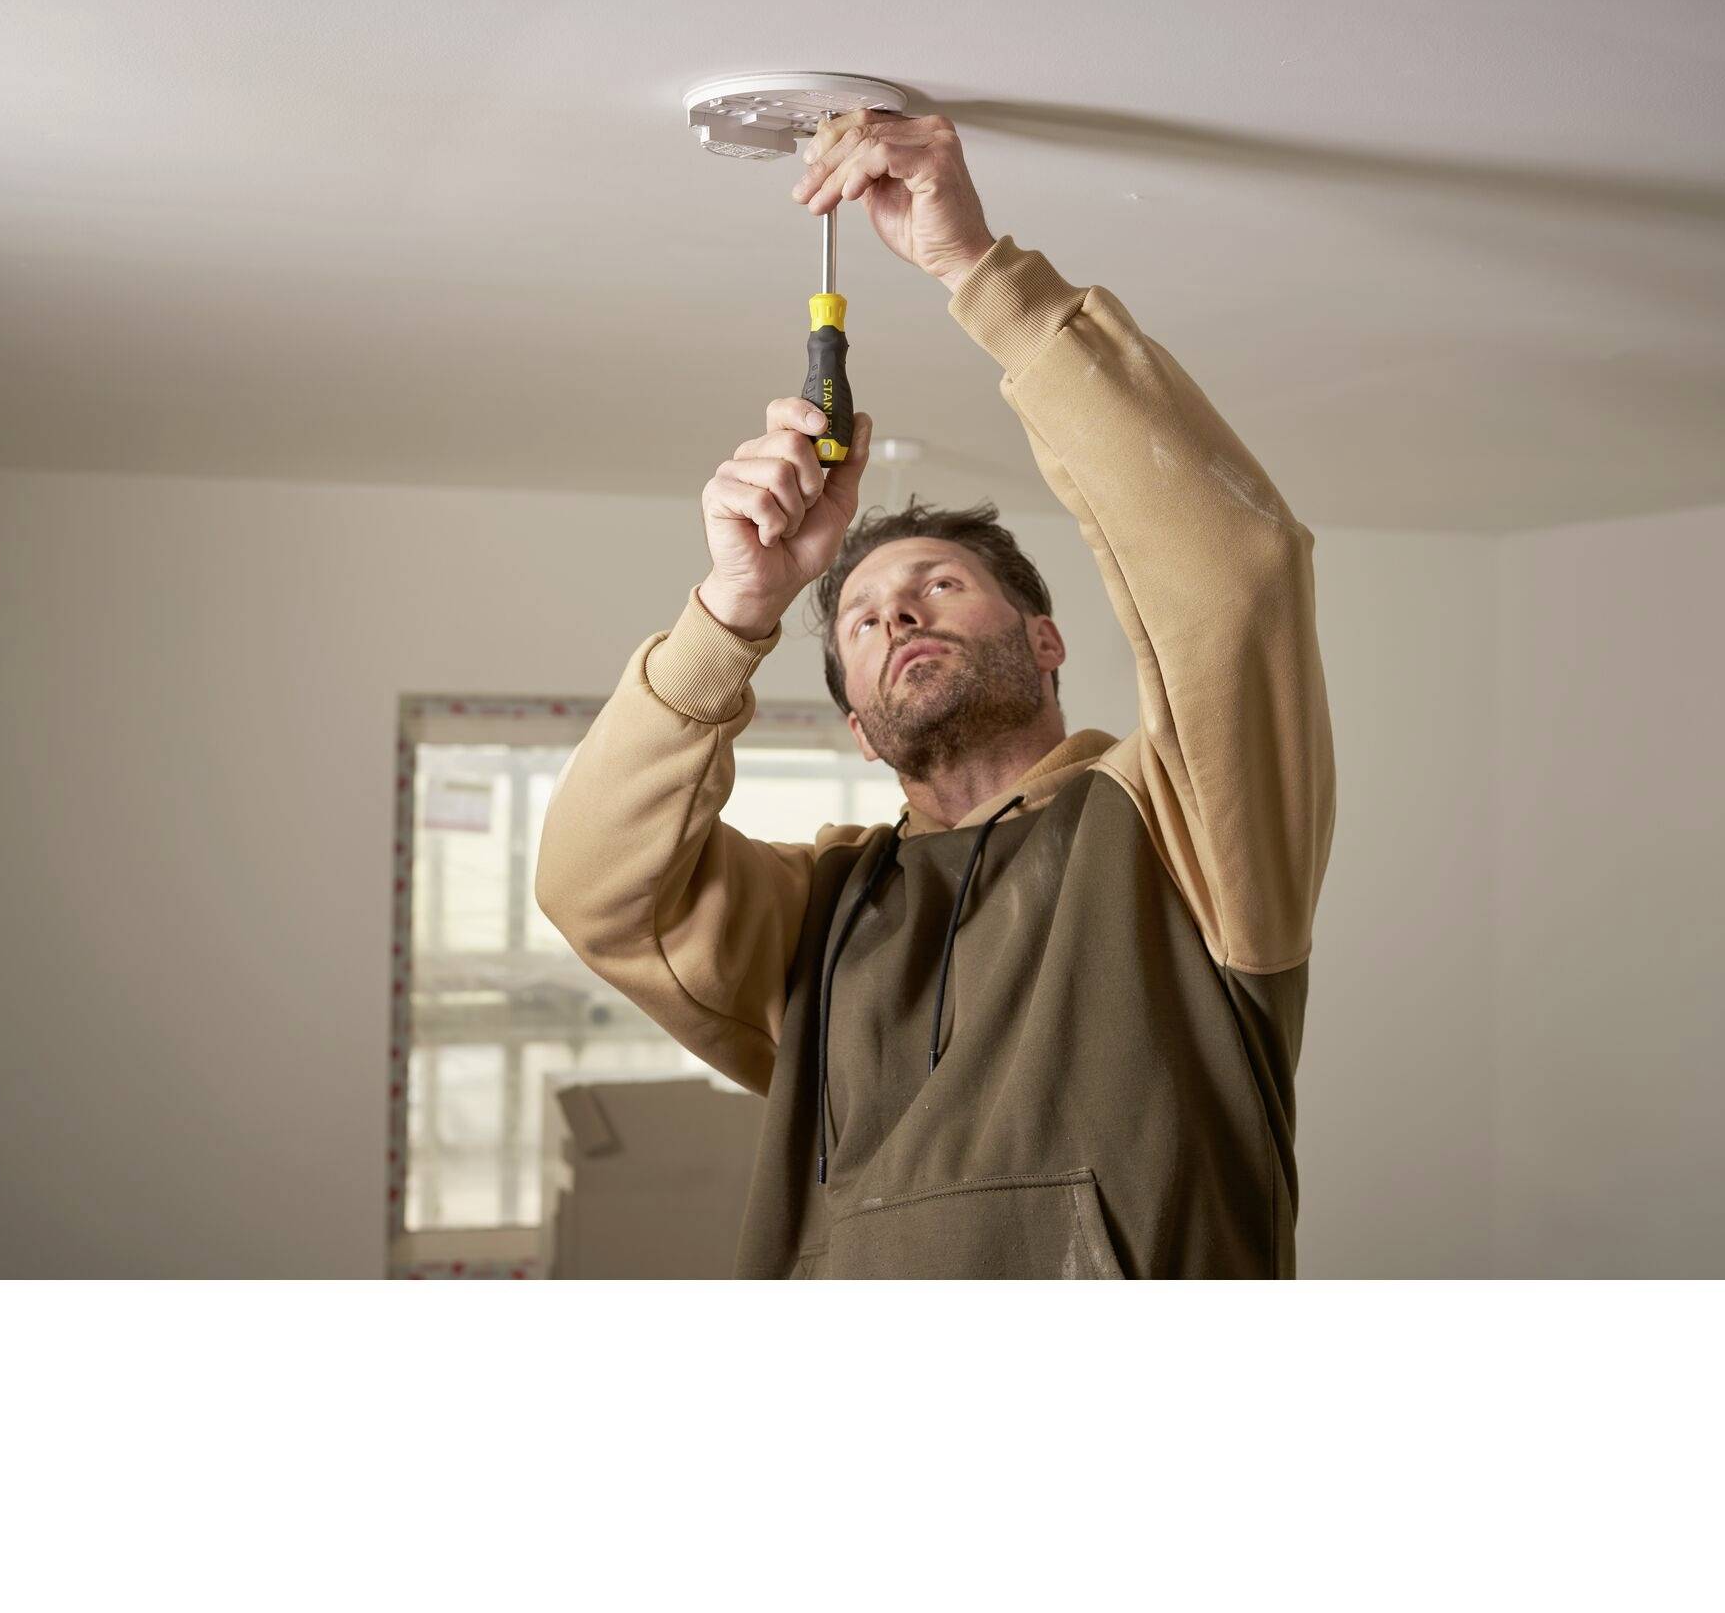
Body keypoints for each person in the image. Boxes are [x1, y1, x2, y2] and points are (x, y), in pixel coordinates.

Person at [535, 108, 1336, 1278]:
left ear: (1044, 638)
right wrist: (733, 609)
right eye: (860, 619)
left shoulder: (1180, 830)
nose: (896, 615)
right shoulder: (816, 913)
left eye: (938, 586)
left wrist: (978, 272)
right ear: (859, 730)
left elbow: (1233, 578)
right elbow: (594, 888)